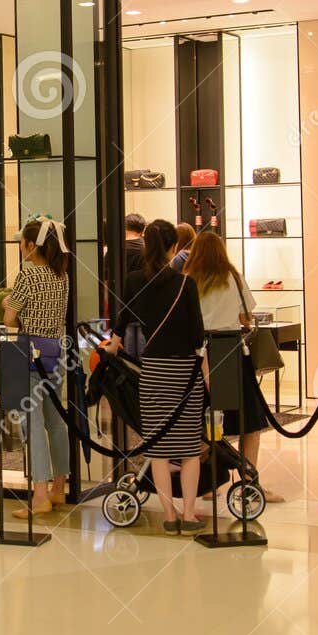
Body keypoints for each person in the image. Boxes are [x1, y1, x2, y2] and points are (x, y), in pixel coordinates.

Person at [114, 221, 207, 533]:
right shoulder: (185, 284)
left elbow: (122, 319)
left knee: (159, 448)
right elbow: (197, 335)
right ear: (172, 248)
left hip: (152, 370)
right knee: (190, 448)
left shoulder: (133, 281)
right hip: (183, 372)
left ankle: (168, 514)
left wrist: (114, 341)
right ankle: (190, 513)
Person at [184, 230, 281, 503]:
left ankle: (208, 483)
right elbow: (246, 315)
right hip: (230, 352)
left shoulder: (189, 279)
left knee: (203, 422)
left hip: (200, 355)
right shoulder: (233, 277)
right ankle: (249, 482)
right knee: (249, 423)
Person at [1, 218, 70, 519]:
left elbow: (9, 317)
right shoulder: (61, 275)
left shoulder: (28, 276)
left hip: (29, 353)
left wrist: (7, 305)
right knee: (56, 422)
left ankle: (39, 494)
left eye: (22, 242)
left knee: (33, 424)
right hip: (57, 351)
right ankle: (59, 487)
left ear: (31, 245)